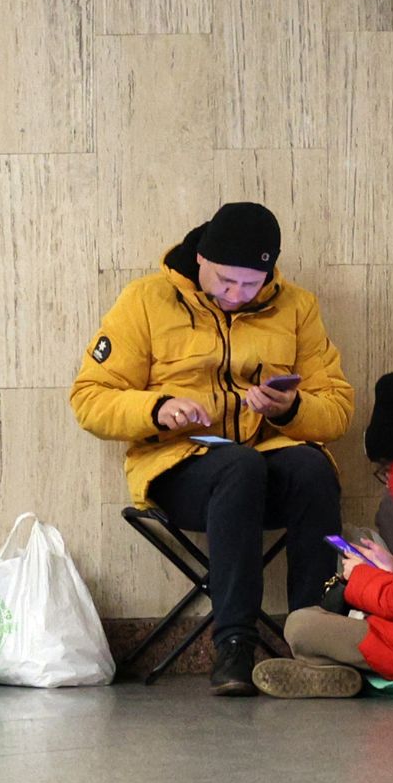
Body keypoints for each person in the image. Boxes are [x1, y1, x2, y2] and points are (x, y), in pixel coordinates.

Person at [72, 201, 355, 696]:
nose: (236, 295)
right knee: (238, 467)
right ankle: (234, 647)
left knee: (312, 468)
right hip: (181, 467)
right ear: (200, 258)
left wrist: (288, 409)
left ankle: (316, 646)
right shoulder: (146, 300)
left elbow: (337, 408)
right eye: (226, 281)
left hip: (263, 460)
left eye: (251, 285)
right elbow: (90, 398)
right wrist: (157, 409)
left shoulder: (296, 307)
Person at [253, 372, 393, 698]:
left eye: (387, 470)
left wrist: (359, 577)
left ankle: (333, 670)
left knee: (301, 625)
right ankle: (334, 670)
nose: (388, 483)